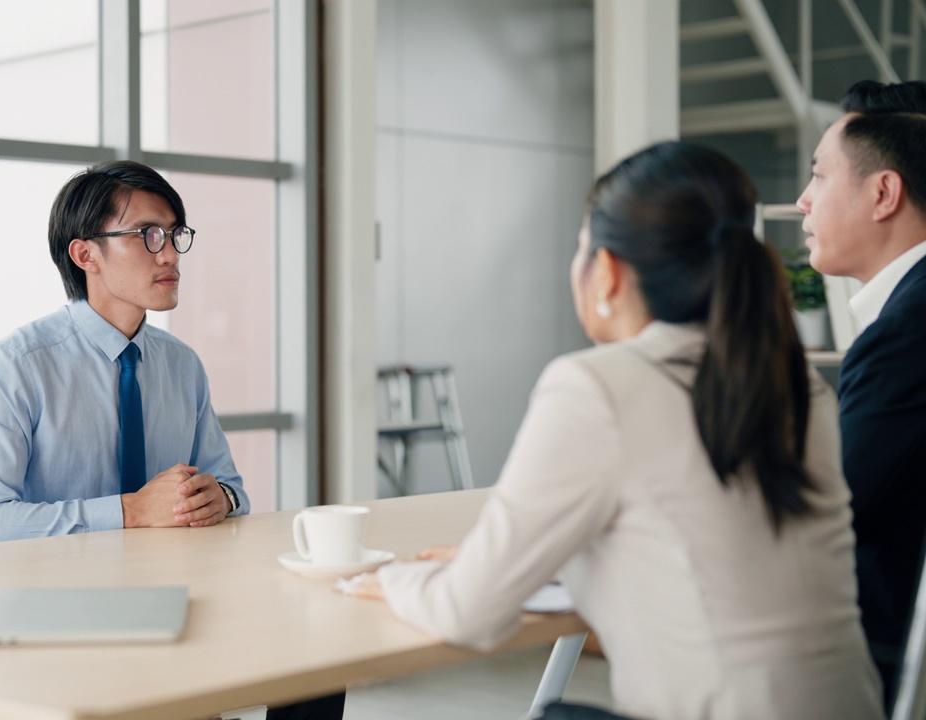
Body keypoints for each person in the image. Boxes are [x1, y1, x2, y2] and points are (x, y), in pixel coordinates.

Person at [345, 142, 882, 720]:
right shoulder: (797, 385)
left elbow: (467, 614)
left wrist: (395, 578)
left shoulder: (597, 387)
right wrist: (488, 558)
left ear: (606, 272)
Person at [0, 160, 344, 720]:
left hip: (175, 598)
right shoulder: (16, 367)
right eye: (147, 235)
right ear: (85, 254)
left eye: (174, 235)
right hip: (60, 615)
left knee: (318, 656)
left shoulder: (182, 366)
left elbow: (233, 489)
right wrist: (131, 512)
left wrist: (221, 498)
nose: (169, 255)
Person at [795, 79, 926, 709]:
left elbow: (831, 519)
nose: (802, 201)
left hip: (875, 668)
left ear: (883, 193)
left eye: (819, 176)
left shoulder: (909, 330)